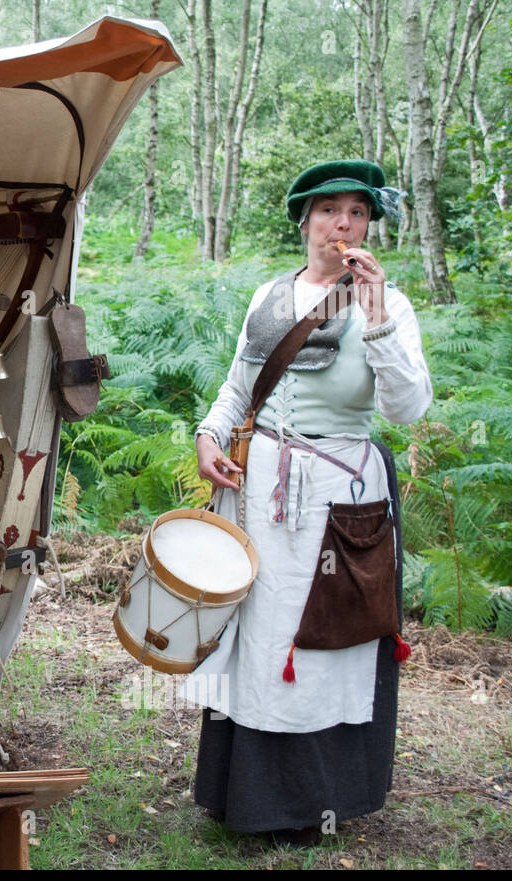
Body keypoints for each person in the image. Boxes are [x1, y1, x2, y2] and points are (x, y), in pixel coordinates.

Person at [182, 160, 432, 841]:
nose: (342, 223)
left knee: (319, 637)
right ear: (304, 221)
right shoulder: (270, 294)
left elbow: (407, 409)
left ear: (368, 226)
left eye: (355, 211)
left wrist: (376, 320)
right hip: (259, 486)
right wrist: (209, 435)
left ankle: (306, 805)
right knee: (256, 632)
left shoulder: (390, 306)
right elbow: (239, 387)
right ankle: (240, 794)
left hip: (336, 491)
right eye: (327, 211)